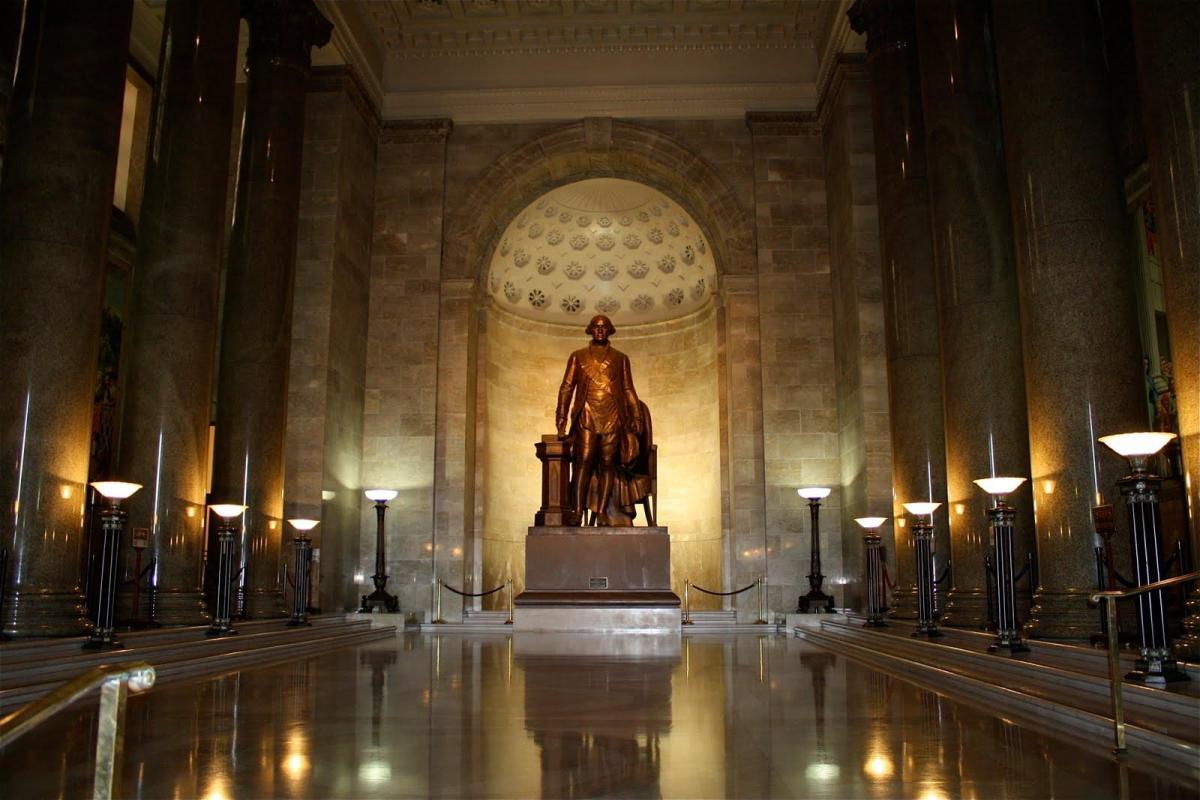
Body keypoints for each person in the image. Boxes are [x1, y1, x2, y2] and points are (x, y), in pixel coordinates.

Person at [556, 314, 648, 526]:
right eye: (596, 326)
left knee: (608, 465)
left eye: (603, 327)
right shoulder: (578, 356)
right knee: (583, 463)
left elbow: (627, 389)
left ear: (609, 330)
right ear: (590, 329)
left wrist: (636, 416)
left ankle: (601, 512)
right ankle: (578, 511)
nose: (599, 330)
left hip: (613, 416)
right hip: (586, 415)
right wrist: (561, 416)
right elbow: (567, 387)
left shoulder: (620, 358)